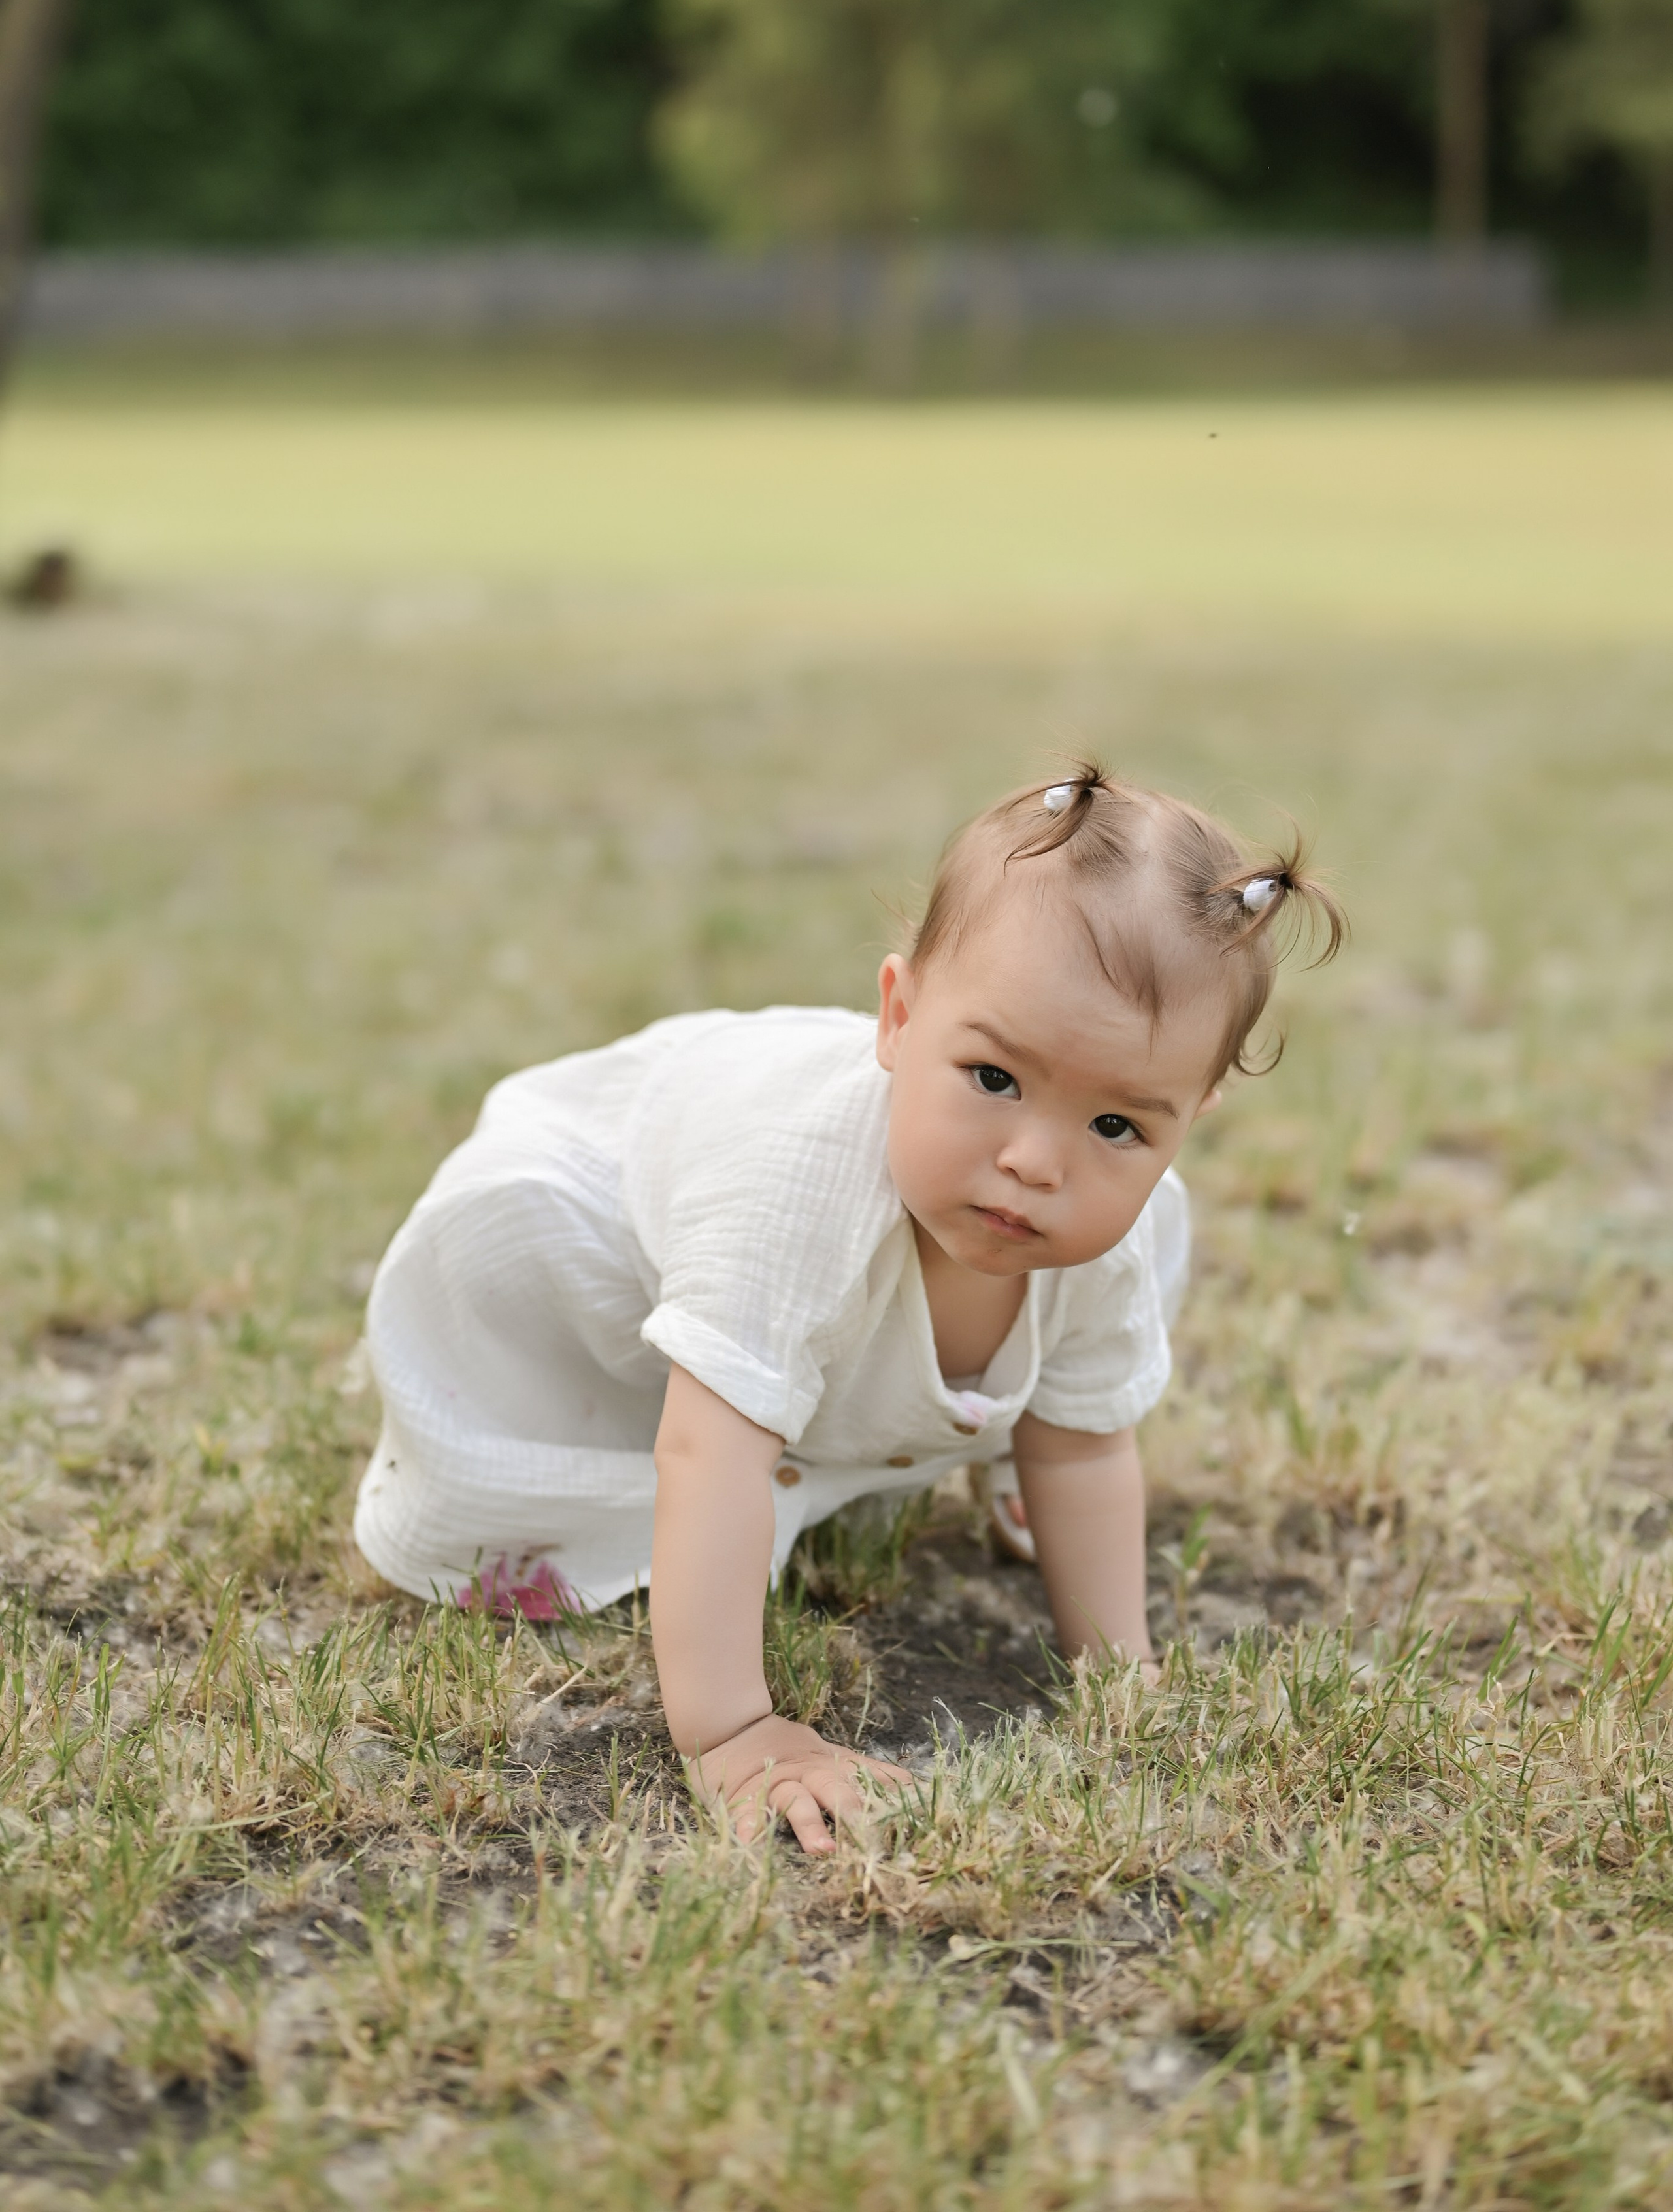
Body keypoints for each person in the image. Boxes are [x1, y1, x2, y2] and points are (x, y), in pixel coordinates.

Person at [353, 763, 1343, 1853]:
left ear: (1192, 1114)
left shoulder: (1091, 1222)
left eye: (1119, 1127)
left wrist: (1119, 1668)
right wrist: (735, 1734)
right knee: (703, 1433)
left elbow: (1085, 1448)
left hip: (815, 1288)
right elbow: (706, 1455)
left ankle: (918, 1422)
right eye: (995, 1079)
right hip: (593, 1280)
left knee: (1120, 1264)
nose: (1034, 1161)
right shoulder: (789, 1194)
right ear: (900, 1018)